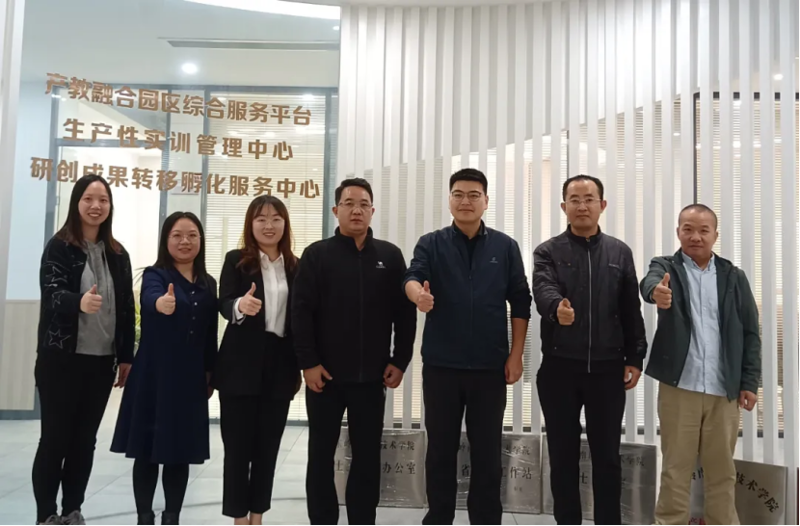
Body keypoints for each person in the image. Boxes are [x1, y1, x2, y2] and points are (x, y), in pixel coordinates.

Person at [404, 168, 531, 526]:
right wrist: (418, 296)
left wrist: (516, 355)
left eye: (474, 195)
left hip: (490, 368)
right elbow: (412, 276)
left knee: (488, 454)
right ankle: (439, 519)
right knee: (440, 452)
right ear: (449, 200)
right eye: (458, 194)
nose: (465, 201)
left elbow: (521, 301)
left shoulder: (505, 247)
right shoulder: (431, 243)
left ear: (486, 201)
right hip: (442, 367)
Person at [292, 178, 416, 526]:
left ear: (372, 210)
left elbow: (404, 314)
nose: (356, 210)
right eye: (348, 203)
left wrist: (400, 360)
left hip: (372, 378)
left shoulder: (389, 256)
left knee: (366, 458)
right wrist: (308, 363)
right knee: (320, 455)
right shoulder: (317, 255)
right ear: (336, 210)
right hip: (325, 378)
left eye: (363, 204)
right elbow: (300, 313)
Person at [532, 174, 647, 526]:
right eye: (574, 199)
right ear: (563, 206)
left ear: (602, 204)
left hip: (607, 370)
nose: (582, 205)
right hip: (559, 369)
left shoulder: (619, 252)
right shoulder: (548, 251)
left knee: (607, 457)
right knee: (563, 456)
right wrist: (557, 308)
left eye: (589, 199)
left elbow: (630, 309)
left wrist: (635, 357)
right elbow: (543, 289)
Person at [641, 204, 760, 526]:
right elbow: (650, 283)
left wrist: (749, 382)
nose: (695, 236)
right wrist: (656, 292)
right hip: (681, 387)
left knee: (722, 472)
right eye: (688, 229)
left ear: (715, 235)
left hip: (724, 389)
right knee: (675, 469)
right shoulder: (665, 266)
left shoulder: (733, 276)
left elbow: (750, 332)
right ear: (678, 232)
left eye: (703, 230)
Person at [32, 174, 135, 526]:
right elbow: (52, 293)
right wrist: (79, 302)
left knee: (84, 442)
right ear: (77, 203)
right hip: (61, 360)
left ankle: (72, 510)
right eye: (89, 199)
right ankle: (46, 515)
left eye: (103, 200)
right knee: (55, 440)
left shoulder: (118, 254)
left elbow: (127, 308)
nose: (96, 206)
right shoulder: (59, 246)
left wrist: (126, 356)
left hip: (101, 363)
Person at [110, 212, 218, 526]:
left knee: (179, 452)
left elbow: (210, 333)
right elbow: (150, 299)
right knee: (147, 451)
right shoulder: (155, 275)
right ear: (166, 240)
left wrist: (210, 372)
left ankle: (172, 517)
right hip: (153, 377)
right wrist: (162, 304)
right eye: (177, 235)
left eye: (192, 235)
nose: (185, 241)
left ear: (200, 240)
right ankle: (145, 517)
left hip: (190, 379)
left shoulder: (208, 282)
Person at [214, 196, 302, 526]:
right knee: (237, 450)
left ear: (285, 224)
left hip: (280, 365)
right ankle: (239, 518)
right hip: (240, 366)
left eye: (276, 218)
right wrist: (240, 306)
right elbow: (224, 302)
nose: (269, 225)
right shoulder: (236, 261)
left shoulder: (295, 265)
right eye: (261, 219)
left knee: (268, 449)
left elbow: (302, 315)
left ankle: (258, 515)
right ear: (250, 224)